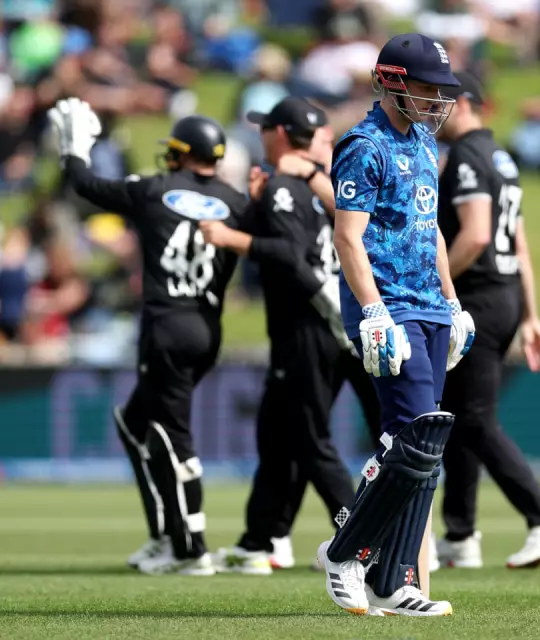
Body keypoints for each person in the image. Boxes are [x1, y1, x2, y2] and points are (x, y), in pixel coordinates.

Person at [47, 98, 300, 576]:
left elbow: (83, 185)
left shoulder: (153, 189)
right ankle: (166, 534)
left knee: (171, 434)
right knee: (135, 423)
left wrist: (73, 147)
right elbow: (281, 245)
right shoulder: (236, 202)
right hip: (206, 328)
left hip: (165, 326)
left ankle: (190, 547)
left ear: (182, 152)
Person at [316, 33, 475, 617]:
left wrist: (453, 303)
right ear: (391, 82)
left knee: (422, 446)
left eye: (441, 90)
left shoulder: (425, 141)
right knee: (413, 440)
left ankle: (396, 578)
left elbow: (431, 230)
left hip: (429, 305)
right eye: (427, 88)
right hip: (391, 305)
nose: (438, 100)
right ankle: (345, 552)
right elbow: (347, 237)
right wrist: (373, 310)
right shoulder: (363, 145)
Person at [199, 97, 381, 574]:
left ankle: (359, 540)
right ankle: (261, 540)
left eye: (265, 128)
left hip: (306, 326)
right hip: (326, 323)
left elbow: (287, 253)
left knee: (308, 437)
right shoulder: (314, 187)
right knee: (278, 433)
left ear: (279, 134)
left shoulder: (284, 185)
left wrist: (231, 237)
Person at [435, 72, 540, 569]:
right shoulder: (502, 158)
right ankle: (460, 534)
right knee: (459, 414)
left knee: (475, 419)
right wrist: (531, 314)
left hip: (477, 297)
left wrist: (435, 283)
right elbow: (518, 244)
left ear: (462, 104)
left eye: (439, 102)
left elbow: (477, 235)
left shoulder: (466, 157)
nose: (431, 112)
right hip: (504, 296)